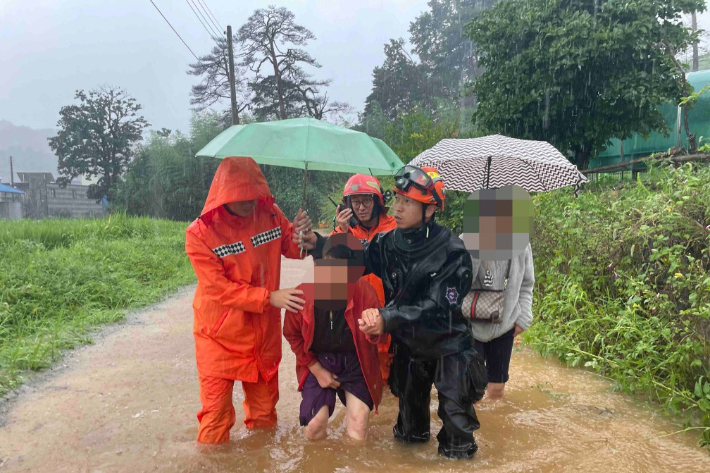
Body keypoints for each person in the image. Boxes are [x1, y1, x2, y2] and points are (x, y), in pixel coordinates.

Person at [297, 165, 488, 459]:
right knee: (409, 436)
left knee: (457, 431)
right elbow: (355, 256)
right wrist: (319, 243)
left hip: (449, 347)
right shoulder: (389, 242)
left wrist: (387, 318)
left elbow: (438, 305)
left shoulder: (453, 251)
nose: (397, 208)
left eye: (407, 202)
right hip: (410, 346)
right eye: (397, 198)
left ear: (430, 209)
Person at [185, 157, 314, 444]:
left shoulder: (269, 214)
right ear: (223, 194)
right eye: (239, 195)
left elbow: (294, 249)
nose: (248, 202)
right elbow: (219, 289)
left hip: (262, 336)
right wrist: (270, 297)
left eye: (253, 194)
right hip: (218, 337)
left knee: (265, 417)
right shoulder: (200, 233)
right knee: (215, 418)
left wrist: (302, 235)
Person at [283, 234, 383, 441]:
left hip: (355, 360)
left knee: (359, 424)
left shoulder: (365, 292)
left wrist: (374, 327)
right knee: (314, 426)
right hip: (318, 359)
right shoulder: (302, 295)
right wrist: (316, 370)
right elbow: (292, 335)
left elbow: (379, 338)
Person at [332, 174, 397, 383]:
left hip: (389, 319)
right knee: (361, 387)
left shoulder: (395, 227)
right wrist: (343, 235)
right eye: (356, 202)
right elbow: (328, 280)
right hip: (354, 324)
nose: (361, 207)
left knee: (390, 389)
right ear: (347, 205)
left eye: (366, 200)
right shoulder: (339, 233)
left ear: (377, 201)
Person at [467, 246, 534, 399]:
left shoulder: (521, 244)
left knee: (497, 388)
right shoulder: (467, 239)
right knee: (471, 388)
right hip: (471, 324)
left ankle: (492, 418)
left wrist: (523, 318)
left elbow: (526, 284)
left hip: (505, 323)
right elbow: (460, 282)